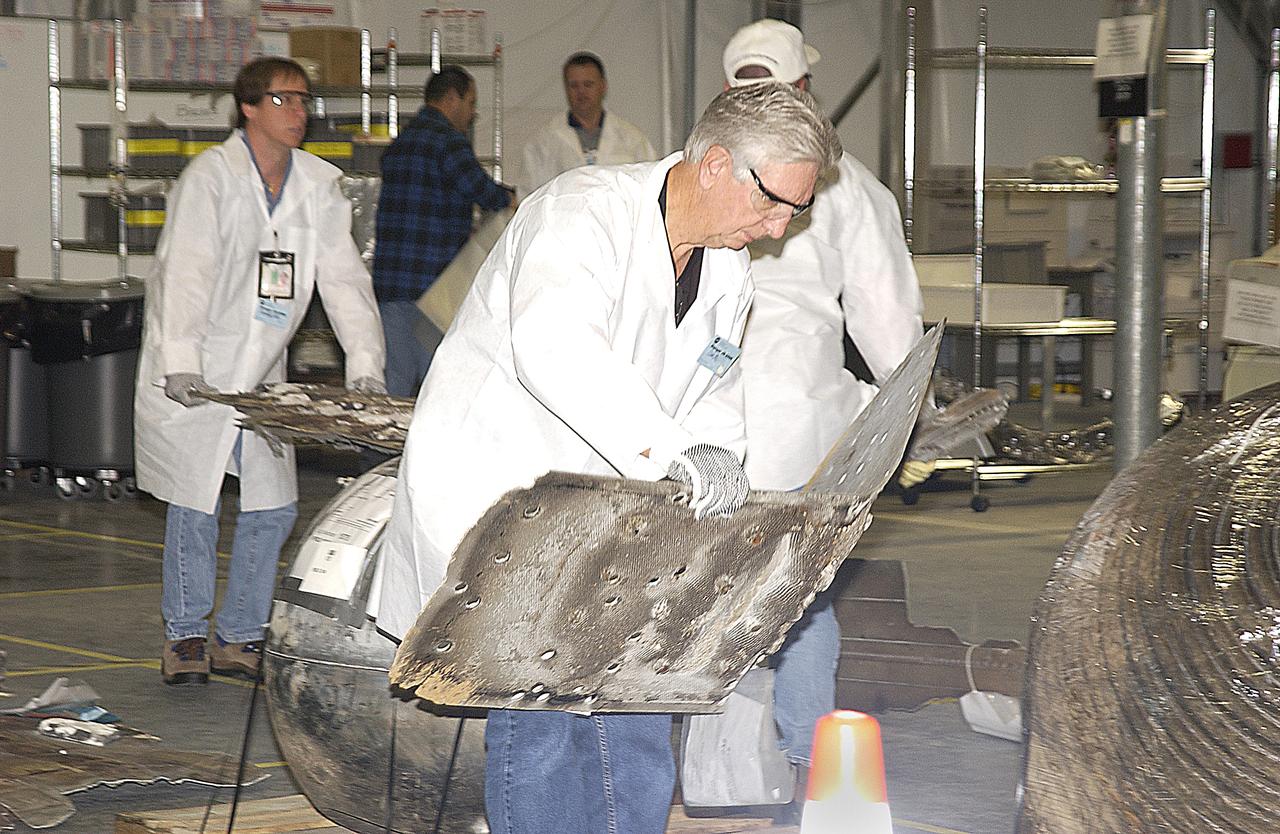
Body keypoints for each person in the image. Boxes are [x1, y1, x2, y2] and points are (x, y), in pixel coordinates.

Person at [375, 82, 842, 834]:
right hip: (513, 501)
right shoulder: (582, 211)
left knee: (637, 703)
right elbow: (554, 348)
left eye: (797, 210)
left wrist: (720, 467)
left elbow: (715, 388)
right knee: (545, 721)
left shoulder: (727, 270)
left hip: (619, 513)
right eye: (773, 202)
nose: (779, 227)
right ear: (715, 164)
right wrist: (674, 450)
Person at [722, 18, 925, 817]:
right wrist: (907, 420)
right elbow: (889, 326)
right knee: (803, 599)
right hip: (802, 427)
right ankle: (807, 762)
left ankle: (711, 760)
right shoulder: (847, 186)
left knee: (699, 593)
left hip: (694, 429)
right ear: (804, 89)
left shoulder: (696, 170)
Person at [134, 57, 386, 686]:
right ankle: (185, 637)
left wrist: (365, 366)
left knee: (273, 507)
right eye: (284, 100)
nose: (298, 112)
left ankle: (240, 634)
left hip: (263, 373)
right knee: (195, 501)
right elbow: (183, 275)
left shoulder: (319, 186)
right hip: (202, 364)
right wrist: (180, 360)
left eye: (304, 100)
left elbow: (345, 282)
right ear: (248, 107)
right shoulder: (210, 178)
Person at [372, 65, 515, 397]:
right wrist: (514, 199)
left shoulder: (401, 142)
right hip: (432, 287)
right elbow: (482, 191)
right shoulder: (448, 141)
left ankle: (384, 433)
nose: (473, 112)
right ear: (452, 98)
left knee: (396, 380)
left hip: (391, 283)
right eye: (471, 102)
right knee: (436, 384)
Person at [520, 51, 657, 196]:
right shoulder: (544, 142)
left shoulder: (632, 139)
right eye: (574, 85)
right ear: (566, 88)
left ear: (603, 86)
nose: (581, 92)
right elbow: (528, 195)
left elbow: (652, 187)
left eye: (588, 84)